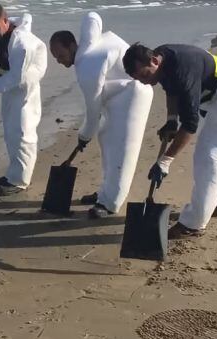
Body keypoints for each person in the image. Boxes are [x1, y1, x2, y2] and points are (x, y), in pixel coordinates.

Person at [123, 43, 217, 239]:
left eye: (145, 76)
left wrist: (165, 161)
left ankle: (193, 224)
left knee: (211, 157)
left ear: (154, 61)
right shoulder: (163, 57)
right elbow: (169, 88)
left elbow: (190, 125)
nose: (145, 83)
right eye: (139, 79)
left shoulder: (182, 71)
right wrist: (172, 120)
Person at [49, 12, 153, 218]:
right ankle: (105, 192)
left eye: (60, 55)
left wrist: (84, 136)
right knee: (107, 140)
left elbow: (93, 111)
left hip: (134, 96)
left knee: (122, 151)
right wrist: (89, 135)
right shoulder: (90, 47)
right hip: (119, 96)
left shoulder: (87, 66)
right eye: (55, 57)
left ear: (71, 45)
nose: (59, 61)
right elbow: (93, 16)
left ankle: (110, 203)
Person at [0, 3, 47, 195]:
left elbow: (17, 78)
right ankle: (12, 175)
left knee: (22, 133)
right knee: (10, 131)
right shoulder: (0, 32)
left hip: (24, 89)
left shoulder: (22, 44)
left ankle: (20, 181)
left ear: (5, 20)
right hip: (8, 85)